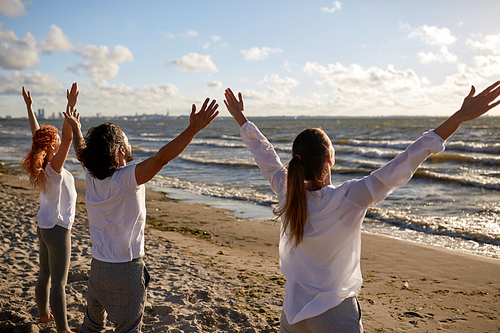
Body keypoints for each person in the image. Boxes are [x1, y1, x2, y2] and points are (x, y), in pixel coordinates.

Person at [223, 81, 500, 333]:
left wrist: (241, 119)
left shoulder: (287, 190)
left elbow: (265, 154)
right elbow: (406, 161)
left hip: (292, 314)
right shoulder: (350, 197)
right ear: (330, 159)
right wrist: (459, 117)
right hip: (334, 314)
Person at [63, 98, 219, 333]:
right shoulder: (126, 178)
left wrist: (76, 127)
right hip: (125, 269)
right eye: (125, 137)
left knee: (92, 326)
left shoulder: (91, 175)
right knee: (128, 328)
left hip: (98, 267)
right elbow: (161, 158)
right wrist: (193, 129)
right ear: (120, 150)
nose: (129, 140)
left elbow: (81, 151)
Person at [20, 83, 79, 333]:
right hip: (57, 228)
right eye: (55, 140)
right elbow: (67, 137)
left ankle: (44, 316)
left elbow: (37, 135)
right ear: (52, 146)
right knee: (59, 283)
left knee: (44, 275)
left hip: (43, 227)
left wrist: (29, 107)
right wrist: (70, 107)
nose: (58, 141)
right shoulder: (54, 169)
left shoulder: (45, 164)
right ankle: (63, 329)